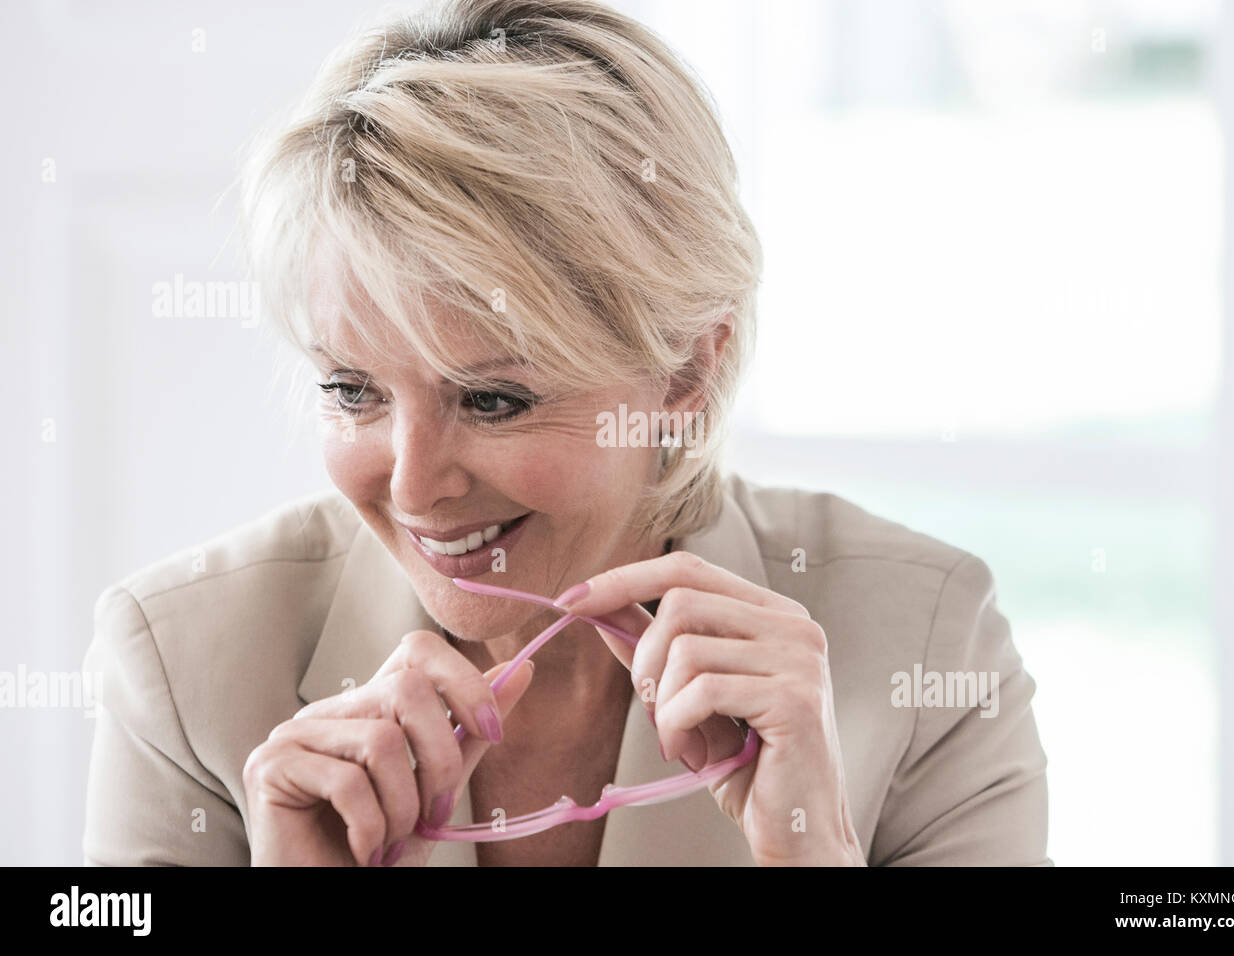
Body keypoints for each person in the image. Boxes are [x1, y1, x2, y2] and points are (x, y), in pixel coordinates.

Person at [82, 0, 1049, 866]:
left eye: (492, 401)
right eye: (353, 390)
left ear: (685, 373)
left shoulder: (932, 644)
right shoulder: (184, 668)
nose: (415, 490)